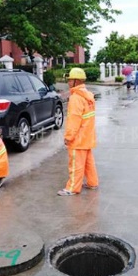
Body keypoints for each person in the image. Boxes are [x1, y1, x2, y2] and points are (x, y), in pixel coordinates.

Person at [57, 68, 99, 196]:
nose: (68, 82)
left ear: (76, 81)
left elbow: (74, 121)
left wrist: (68, 137)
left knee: (76, 164)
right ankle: (92, 183)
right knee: (88, 162)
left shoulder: (76, 98)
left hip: (78, 139)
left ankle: (72, 188)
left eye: (70, 79)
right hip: (87, 137)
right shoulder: (88, 95)